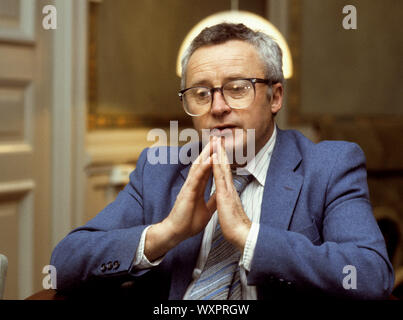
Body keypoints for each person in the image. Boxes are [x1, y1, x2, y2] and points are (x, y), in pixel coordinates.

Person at [50, 23, 394, 300]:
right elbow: (64, 265)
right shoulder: (160, 168)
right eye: (200, 93)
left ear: (275, 97)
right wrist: (166, 233)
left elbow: (370, 275)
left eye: (237, 88)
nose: (217, 107)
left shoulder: (330, 166)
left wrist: (249, 238)